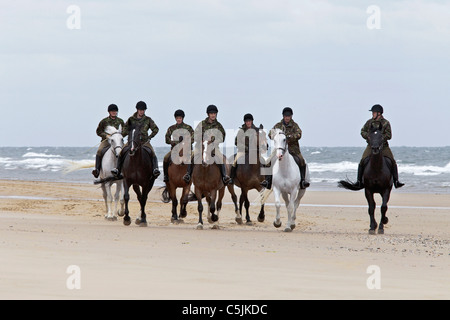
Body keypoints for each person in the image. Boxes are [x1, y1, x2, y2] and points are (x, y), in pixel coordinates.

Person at [261, 107, 310, 189]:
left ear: (291, 116)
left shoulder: (294, 125)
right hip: (280, 148)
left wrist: (289, 137)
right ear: (283, 116)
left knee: (301, 161)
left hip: (293, 149)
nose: (287, 117)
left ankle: (302, 181)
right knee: (268, 161)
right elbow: (270, 134)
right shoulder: (278, 125)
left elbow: (299, 134)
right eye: (285, 116)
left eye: (289, 116)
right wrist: (276, 135)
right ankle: (267, 181)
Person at [357, 104, 404, 189]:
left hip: (384, 146)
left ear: (379, 113)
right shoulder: (369, 122)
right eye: (373, 113)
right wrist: (368, 136)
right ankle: (359, 181)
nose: (372, 114)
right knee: (362, 160)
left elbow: (389, 135)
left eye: (374, 112)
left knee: (392, 161)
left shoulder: (386, 123)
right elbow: (362, 131)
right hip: (370, 146)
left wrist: (381, 138)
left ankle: (396, 181)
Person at [183, 104, 232, 184]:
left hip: (213, 148)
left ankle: (224, 177)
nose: (213, 115)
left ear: (216, 114)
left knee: (220, 158)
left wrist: (214, 140)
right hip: (201, 147)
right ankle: (188, 175)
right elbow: (195, 135)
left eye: (214, 113)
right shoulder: (202, 124)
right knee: (192, 156)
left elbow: (222, 137)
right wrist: (202, 140)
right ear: (208, 114)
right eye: (211, 113)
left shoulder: (218, 126)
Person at [111, 101, 160, 178]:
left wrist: (149, 137)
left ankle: (155, 169)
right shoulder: (131, 119)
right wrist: (119, 136)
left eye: (143, 110)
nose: (142, 112)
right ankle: (118, 169)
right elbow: (125, 129)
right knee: (122, 152)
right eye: (140, 110)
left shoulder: (148, 120)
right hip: (132, 141)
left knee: (152, 153)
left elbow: (156, 129)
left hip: (144, 142)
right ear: (137, 110)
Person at [229, 113, 265, 181]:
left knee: (263, 161)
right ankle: (231, 178)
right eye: (247, 121)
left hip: (255, 152)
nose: (248, 123)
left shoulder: (257, 130)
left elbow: (262, 140)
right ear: (245, 122)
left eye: (249, 121)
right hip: (243, 151)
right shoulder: (241, 131)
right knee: (235, 161)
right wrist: (246, 148)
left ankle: (266, 179)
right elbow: (237, 142)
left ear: (252, 121)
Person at [92, 104, 124, 178]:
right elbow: (98, 131)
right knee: (99, 151)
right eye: (112, 111)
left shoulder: (120, 121)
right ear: (109, 112)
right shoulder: (104, 121)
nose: (114, 112)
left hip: (117, 141)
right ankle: (97, 170)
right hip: (106, 141)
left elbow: (125, 131)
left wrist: (119, 136)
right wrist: (106, 135)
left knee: (125, 151)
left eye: (115, 111)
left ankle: (126, 169)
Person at [162, 109, 194, 182]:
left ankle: (192, 176)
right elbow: (167, 139)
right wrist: (173, 142)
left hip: (187, 150)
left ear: (182, 118)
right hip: (175, 150)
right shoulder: (171, 128)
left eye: (180, 118)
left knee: (195, 159)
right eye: (177, 118)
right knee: (165, 158)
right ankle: (166, 176)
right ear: (175, 119)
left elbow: (193, 138)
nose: (178, 119)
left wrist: (186, 142)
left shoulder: (188, 128)